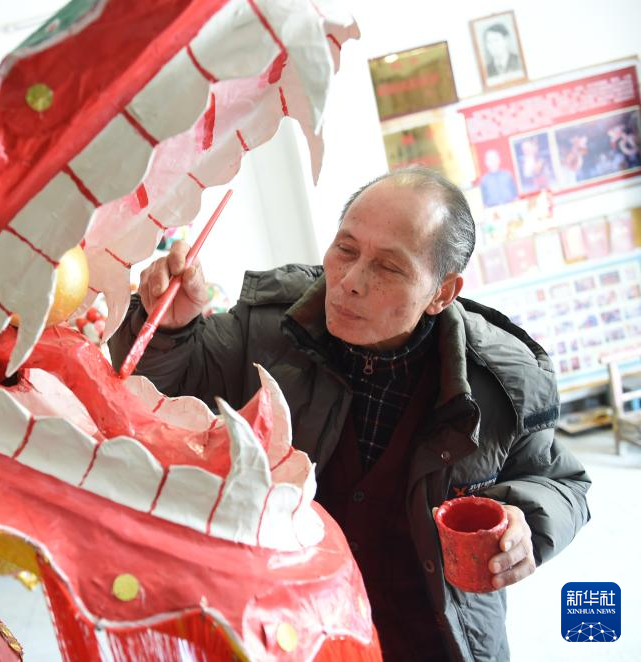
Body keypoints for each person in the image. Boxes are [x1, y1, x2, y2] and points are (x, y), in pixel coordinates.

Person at [109, 166, 590, 661]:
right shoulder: (268, 325)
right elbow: (161, 387)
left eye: (388, 268)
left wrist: (525, 523)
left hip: (436, 640)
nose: (350, 282)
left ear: (442, 292)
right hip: (289, 633)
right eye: (346, 249)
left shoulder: (503, 382)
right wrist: (167, 326)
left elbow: (561, 482)